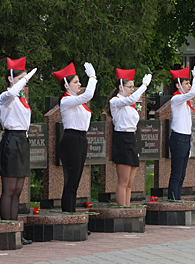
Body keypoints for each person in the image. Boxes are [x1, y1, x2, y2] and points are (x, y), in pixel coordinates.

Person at [0, 57, 36, 245]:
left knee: (18, 190)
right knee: (9, 189)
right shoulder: (6, 97)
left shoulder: (20, 98)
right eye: (20, 79)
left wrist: (23, 80)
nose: (24, 82)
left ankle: (16, 230)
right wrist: (22, 81)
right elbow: (11, 94)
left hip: (22, 140)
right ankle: (7, 230)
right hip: (11, 140)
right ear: (11, 79)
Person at [53, 62, 97, 212]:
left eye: (79, 81)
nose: (79, 84)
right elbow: (89, 94)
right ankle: (68, 214)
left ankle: (71, 214)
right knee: (71, 181)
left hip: (81, 138)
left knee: (76, 180)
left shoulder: (77, 101)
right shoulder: (66, 100)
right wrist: (92, 77)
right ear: (66, 85)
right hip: (71, 139)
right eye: (76, 82)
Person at [105, 69, 152, 206]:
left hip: (131, 138)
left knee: (130, 182)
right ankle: (122, 210)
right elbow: (131, 99)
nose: (132, 89)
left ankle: (128, 209)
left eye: (133, 87)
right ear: (120, 87)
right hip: (122, 139)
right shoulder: (116, 101)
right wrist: (144, 86)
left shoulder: (130, 104)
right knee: (123, 181)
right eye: (130, 87)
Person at [168, 65, 195, 200]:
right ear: (178, 85)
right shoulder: (176, 99)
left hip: (185, 138)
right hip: (178, 138)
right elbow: (193, 93)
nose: (189, 85)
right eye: (186, 83)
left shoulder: (184, 100)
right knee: (176, 173)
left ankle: (177, 198)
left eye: (190, 82)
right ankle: (173, 199)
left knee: (182, 174)